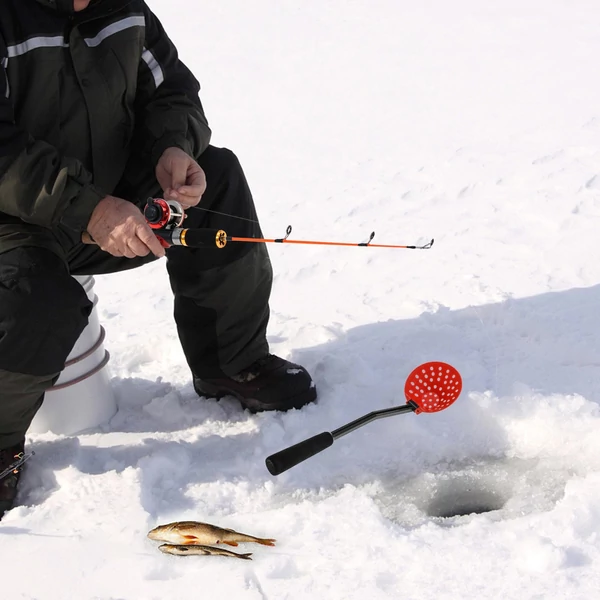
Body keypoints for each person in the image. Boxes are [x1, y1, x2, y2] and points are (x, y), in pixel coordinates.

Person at [0, 0, 317, 519]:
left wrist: (174, 146)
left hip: (107, 199)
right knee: (32, 298)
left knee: (218, 179)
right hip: (11, 220)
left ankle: (230, 364)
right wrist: (89, 209)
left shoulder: (125, 8)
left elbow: (171, 90)